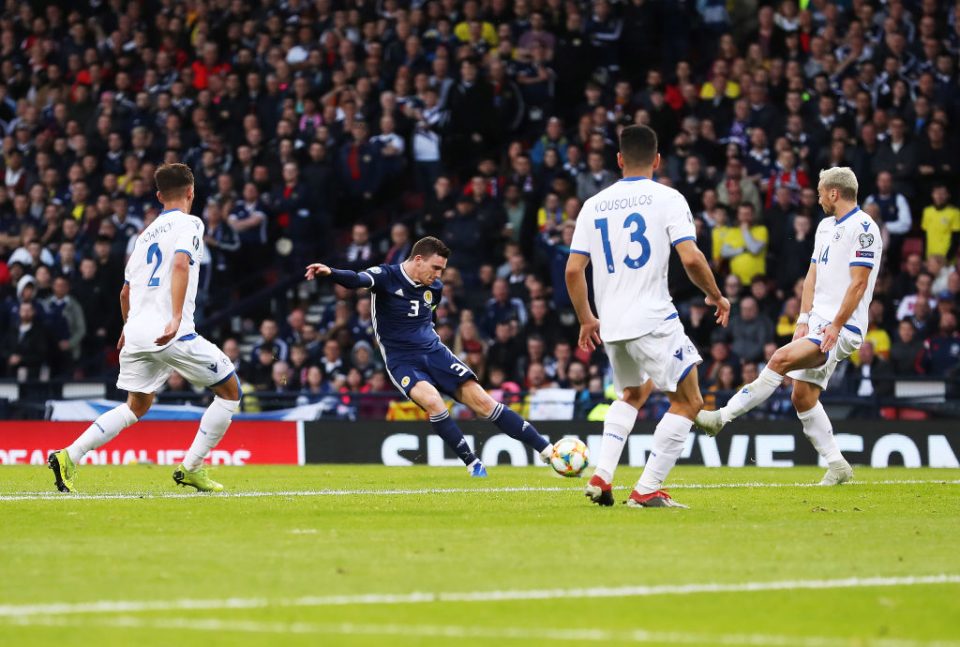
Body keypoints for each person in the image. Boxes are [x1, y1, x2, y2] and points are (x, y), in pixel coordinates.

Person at [47, 163, 242, 493]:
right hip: (170, 330)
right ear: (191, 192)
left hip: (136, 330)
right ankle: (192, 467)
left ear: (158, 196)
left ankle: (69, 455)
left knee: (136, 406)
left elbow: (126, 291)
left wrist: (127, 327)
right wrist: (177, 317)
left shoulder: (143, 236)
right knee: (229, 391)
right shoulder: (191, 223)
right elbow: (181, 263)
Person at [565, 125, 730, 509]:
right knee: (690, 401)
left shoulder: (593, 205)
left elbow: (574, 270)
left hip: (612, 323)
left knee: (633, 394)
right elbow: (690, 256)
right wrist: (716, 295)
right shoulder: (667, 198)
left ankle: (602, 476)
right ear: (657, 160)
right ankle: (646, 489)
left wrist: (587, 318)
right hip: (652, 316)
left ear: (619, 160)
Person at [305, 236, 554, 476]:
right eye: (435, 268)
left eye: (442, 269)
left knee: (484, 403)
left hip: (434, 352)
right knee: (434, 402)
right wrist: (332, 273)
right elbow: (356, 279)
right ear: (418, 259)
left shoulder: (434, 287)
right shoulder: (386, 276)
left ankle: (547, 450)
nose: (438, 275)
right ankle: (473, 464)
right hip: (402, 359)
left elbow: (429, 317)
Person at [696, 167, 882, 486]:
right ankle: (838, 466)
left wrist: (836, 325)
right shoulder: (824, 227)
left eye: (822, 192)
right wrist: (804, 319)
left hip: (844, 327)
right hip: (818, 323)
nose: (819, 197)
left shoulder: (864, 228)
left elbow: (859, 285)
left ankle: (720, 417)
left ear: (835, 193)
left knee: (779, 359)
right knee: (803, 397)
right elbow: (812, 276)